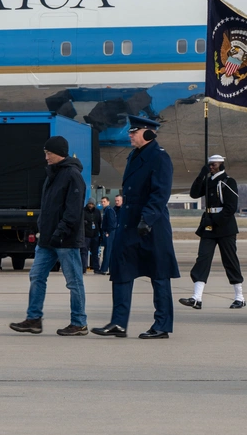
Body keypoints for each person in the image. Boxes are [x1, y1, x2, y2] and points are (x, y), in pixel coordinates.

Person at [93, 116, 179, 340]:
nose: (129, 135)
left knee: (159, 275)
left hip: (152, 225)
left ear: (149, 133)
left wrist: (147, 219)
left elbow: (160, 193)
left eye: (134, 131)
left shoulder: (160, 158)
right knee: (121, 270)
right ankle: (118, 323)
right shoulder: (134, 155)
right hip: (129, 223)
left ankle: (162, 325)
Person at [9, 135, 87, 336]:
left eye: (48, 153)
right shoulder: (52, 175)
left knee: (73, 281)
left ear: (59, 153)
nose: (46, 157)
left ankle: (79, 322)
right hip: (47, 239)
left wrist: (60, 232)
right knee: (36, 276)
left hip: (65, 240)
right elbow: (47, 208)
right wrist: (42, 228)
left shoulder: (72, 175)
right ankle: (34, 319)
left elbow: (73, 210)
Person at [181, 154, 244, 310]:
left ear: (221, 164)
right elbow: (194, 194)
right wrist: (201, 175)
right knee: (203, 259)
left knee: (230, 260)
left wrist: (215, 220)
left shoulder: (228, 182)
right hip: (208, 225)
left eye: (213, 165)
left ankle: (240, 297)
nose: (211, 167)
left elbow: (231, 207)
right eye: (209, 165)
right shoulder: (209, 181)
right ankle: (197, 298)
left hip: (224, 226)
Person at [96, 196, 116, 275]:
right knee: (108, 251)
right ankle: (109, 269)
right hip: (108, 232)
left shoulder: (109, 210)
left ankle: (104, 269)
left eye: (104, 201)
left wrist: (108, 231)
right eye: (102, 202)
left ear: (108, 202)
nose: (103, 203)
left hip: (109, 233)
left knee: (107, 251)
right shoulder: (106, 210)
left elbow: (111, 222)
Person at [82, 199, 102, 273]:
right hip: (86, 235)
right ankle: (83, 268)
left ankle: (96, 268)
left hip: (95, 235)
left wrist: (101, 234)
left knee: (95, 252)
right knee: (84, 252)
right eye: (89, 204)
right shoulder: (83, 211)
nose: (90, 205)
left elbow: (99, 223)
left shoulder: (97, 212)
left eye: (92, 204)